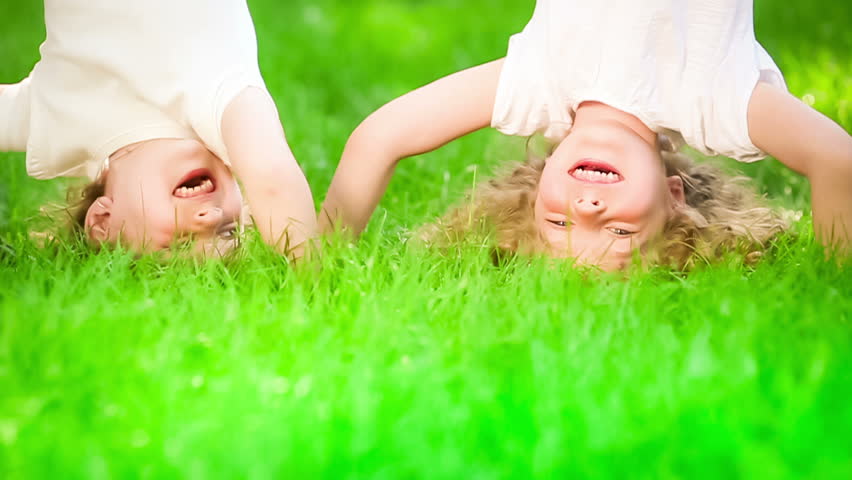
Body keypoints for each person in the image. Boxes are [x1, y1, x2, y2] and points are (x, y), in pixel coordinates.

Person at [320, 0, 852, 270]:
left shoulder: (538, 85)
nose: (590, 210)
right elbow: (836, 160)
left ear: (540, 182)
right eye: (621, 234)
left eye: (558, 221)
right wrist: (829, 288)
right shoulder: (711, 103)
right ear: (674, 196)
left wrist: (314, 266)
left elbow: (379, 137)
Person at [0, 0, 316, 258]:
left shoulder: (59, 124)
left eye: (179, 243)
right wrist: (312, 279)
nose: (211, 218)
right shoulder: (218, 97)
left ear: (104, 222)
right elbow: (271, 176)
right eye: (229, 230)